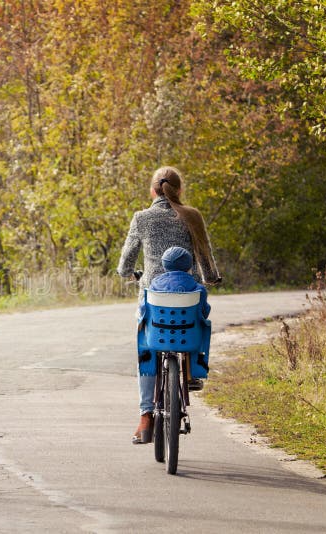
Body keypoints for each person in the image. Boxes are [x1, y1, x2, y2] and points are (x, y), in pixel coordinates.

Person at [117, 166, 221, 444]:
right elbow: (206, 256)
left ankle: (145, 415)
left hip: (153, 296)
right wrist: (210, 278)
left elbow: (125, 262)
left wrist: (128, 273)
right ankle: (190, 373)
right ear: (179, 190)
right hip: (189, 294)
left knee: (147, 346)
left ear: (153, 190)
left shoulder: (142, 218)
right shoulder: (192, 217)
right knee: (196, 321)